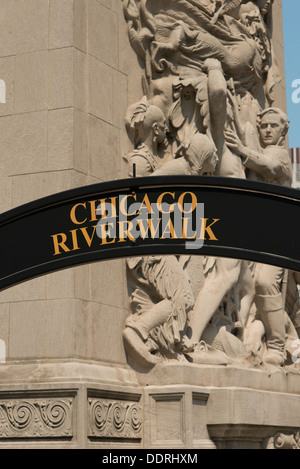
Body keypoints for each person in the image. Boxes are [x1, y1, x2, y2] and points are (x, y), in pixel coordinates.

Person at [225, 107, 293, 365]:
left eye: (273, 126)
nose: (267, 130)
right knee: (254, 287)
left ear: (283, 131)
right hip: (259, 233)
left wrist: (242, 150)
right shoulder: (262, 148)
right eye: (264, 126)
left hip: (279, 235)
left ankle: (276, 345)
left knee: (265, 283)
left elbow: (270, 166)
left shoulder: (279, 154)